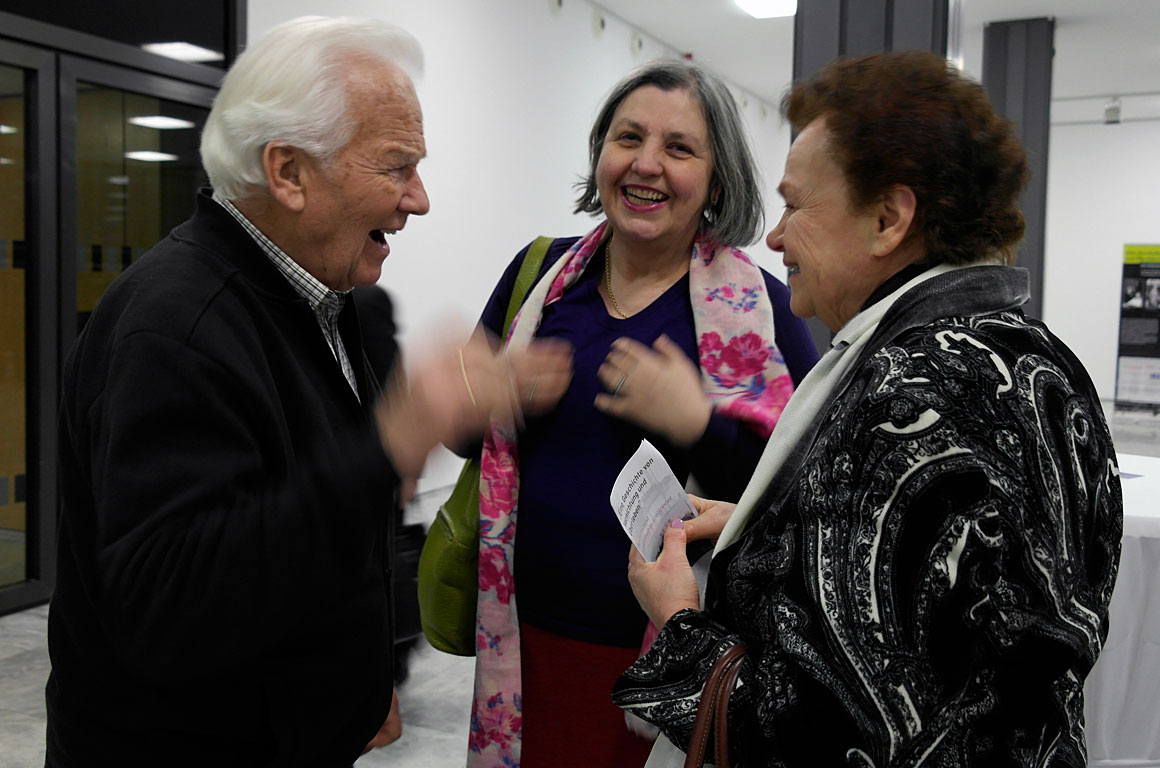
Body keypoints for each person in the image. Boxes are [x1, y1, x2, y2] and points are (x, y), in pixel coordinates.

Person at [46, 16, 568, 767]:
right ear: (288, 172)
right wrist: (396, 438)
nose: (419, 199)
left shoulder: (320, 294)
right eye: (396, 166)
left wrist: (357, 672)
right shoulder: (175, 328)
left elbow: (300, 515)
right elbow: (171, 607)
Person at [614, 50, 1123, 767]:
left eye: (795, 205)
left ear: (887, 218)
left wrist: (677, 620)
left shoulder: (903, 402)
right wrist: (774, 533)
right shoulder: (1036, 358)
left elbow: (817, 735)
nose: (775, 237)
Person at [466, 61, 819, 767]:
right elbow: (466, 439)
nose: (646, 164)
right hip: (525, 643)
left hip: (673, 659)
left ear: (716, 182)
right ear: (600, 152)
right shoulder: (538, 278)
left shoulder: (764, 310)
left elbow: (806, 494)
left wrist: (698, 425)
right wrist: (488, 397)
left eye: (679, 148)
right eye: (628, 138)